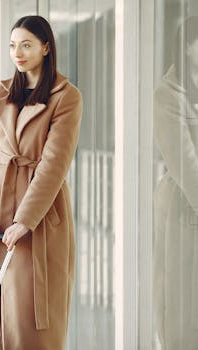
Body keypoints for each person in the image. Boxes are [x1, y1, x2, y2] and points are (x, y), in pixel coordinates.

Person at [0, 15, 82, 349]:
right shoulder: (2, 92)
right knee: (2, 309)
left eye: (26, 45)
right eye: (12, 45)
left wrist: (25, 220)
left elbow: (54, 165)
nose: (17, 53)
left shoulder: (66, 96)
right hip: (1, 212)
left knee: (34, 316)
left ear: (46, 47)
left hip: (40, 218)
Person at [153, 16, 198, 348]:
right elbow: (184, 162)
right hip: (184, 206)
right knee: (181, 300)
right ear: (187, 46)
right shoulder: (169, 93)